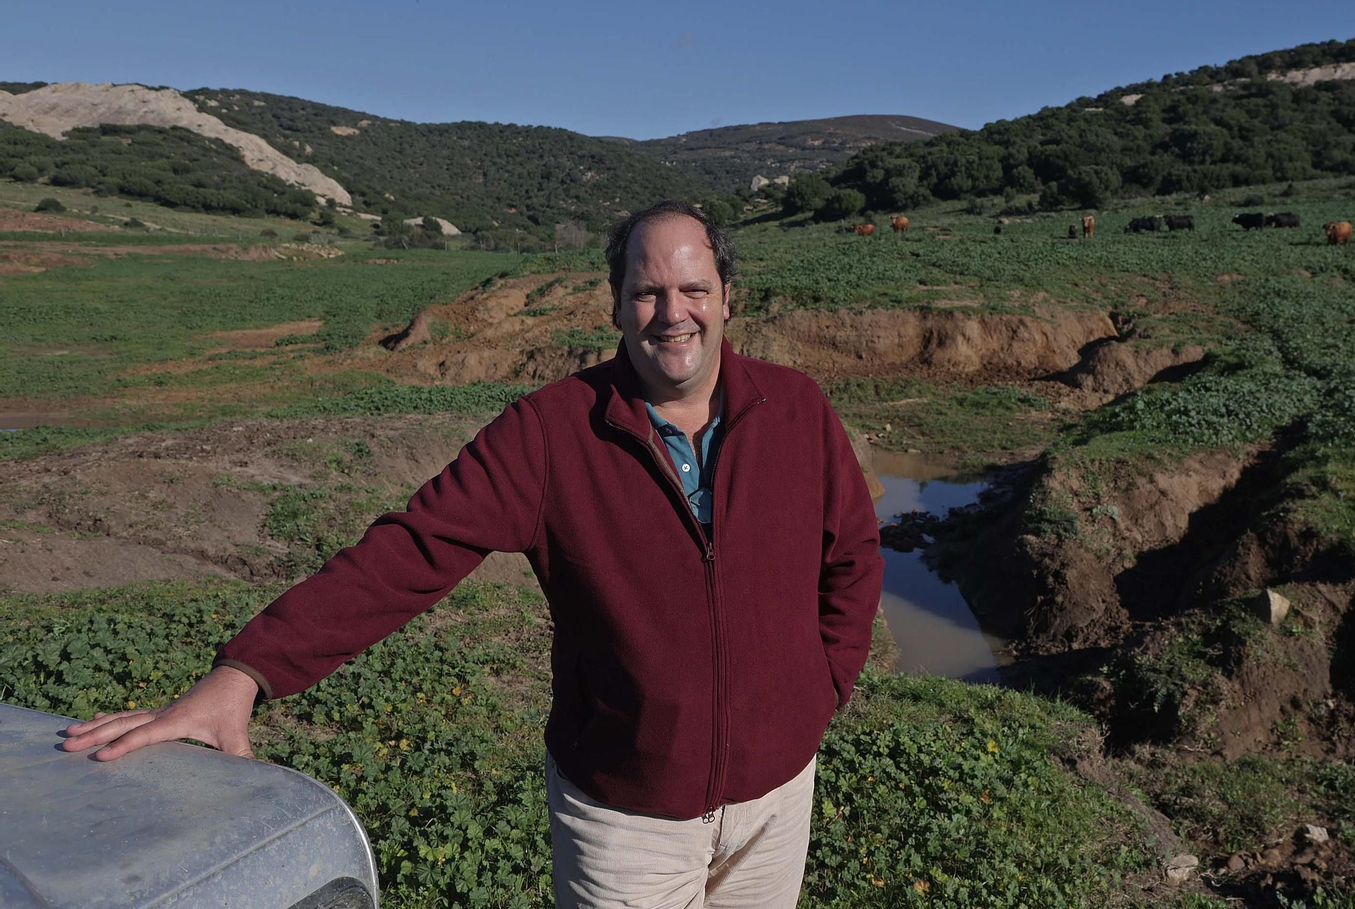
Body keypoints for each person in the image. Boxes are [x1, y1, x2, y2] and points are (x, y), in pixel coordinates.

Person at [63, 201, 886, 908]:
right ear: (615, 305)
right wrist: (245, 672)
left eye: (694, 289)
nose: (674, 313)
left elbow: (850, 552)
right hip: (626, 821)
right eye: (648, 291)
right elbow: (413, 549)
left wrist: (818, 690)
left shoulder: (797, 410)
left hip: (779, 800)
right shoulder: (550, 433)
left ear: (727, 297)